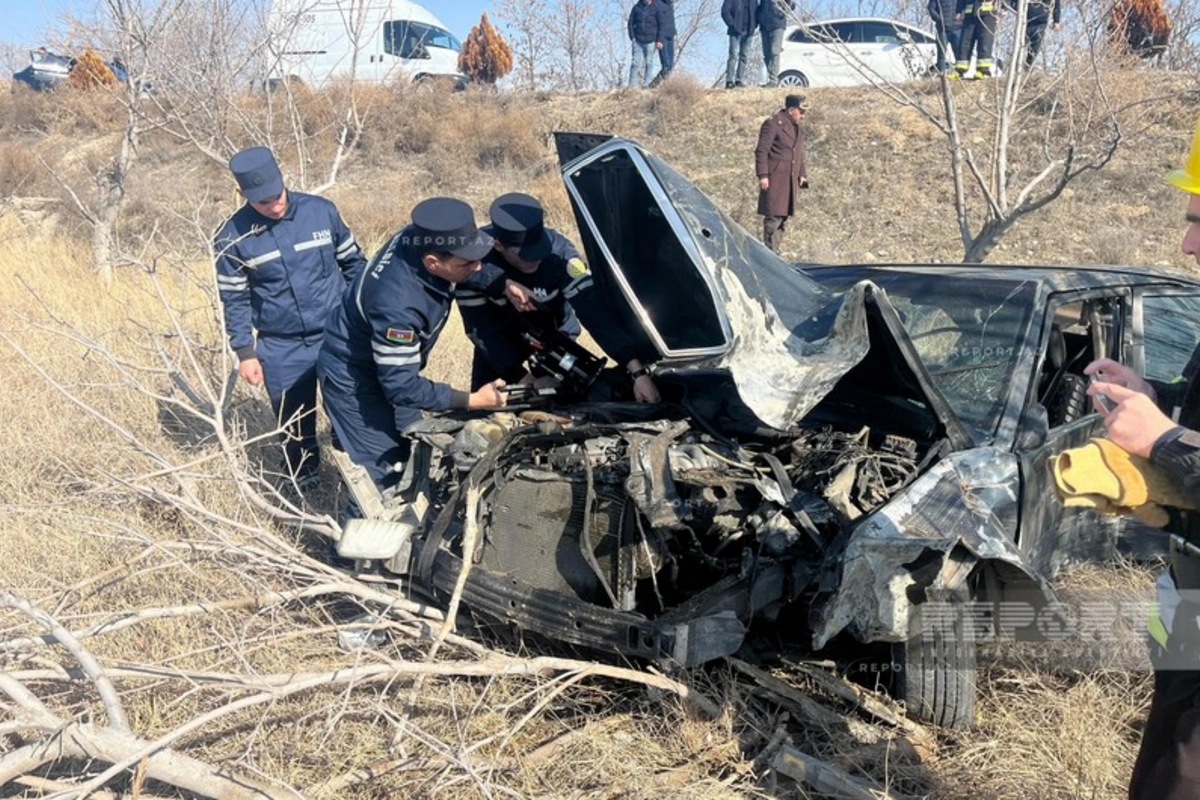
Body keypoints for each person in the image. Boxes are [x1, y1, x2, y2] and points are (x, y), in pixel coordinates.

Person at [1084, 113, 1200, 800]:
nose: (1187, 244)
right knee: (1159, 759)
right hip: (1185, 595)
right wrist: (1156, 392)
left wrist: (1161, 440)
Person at [317, 198, 507, 492]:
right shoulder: (398, 307)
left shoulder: (421, 235)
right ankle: (359, 536)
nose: (478, 266)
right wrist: (473, 400)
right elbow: (401, 387)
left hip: (392, 367)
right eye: (468, 263)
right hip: (354, 380)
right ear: (433, 262)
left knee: (414, 452)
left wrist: (501, 283)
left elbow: (467, 266)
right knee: (385, 477)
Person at [214, 146, 365, 489]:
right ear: (244, 195)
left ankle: (356, 481)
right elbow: (234, 299)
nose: (275, 205)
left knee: (352, 412)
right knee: (294, 425)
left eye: (277, 195)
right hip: (281, 347)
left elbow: (355, 266)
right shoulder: (231, 237)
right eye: (263, 202)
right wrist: (244, 352)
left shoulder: (321, 212)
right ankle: (305, 486)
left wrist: (365, 319)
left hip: (337, 335)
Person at [457, 193, 661, 404]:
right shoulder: (472, 260)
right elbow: (482, 330)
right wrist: (525, 380)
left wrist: (638, 372)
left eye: (539, 250)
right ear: (499, 246)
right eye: (526, 255)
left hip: (554, 338)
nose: (536, 259)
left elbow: (596, 314)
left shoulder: (560, 254)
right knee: (488, 409)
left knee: (568, 400)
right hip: (499, 343)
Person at [755, 94, 809, 254]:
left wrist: (802, 174)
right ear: (791, 110)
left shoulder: (797, 128)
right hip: (775, 179)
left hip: (789, 180)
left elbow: (798, 154)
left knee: (782, 217)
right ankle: (769, 252)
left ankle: (775, 251)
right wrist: (763, 175)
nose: (803, 116)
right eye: (801, 111)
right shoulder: (773, 124)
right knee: (773, 216)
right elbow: (761, 151)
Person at [954, 0, 1000, 79]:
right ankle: (960, 70)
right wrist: (959, 10)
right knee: (965, 42)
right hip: (970, 13)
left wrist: (1003, 8)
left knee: (985, 42)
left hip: (988, 13)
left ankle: (983, 71)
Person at [628, 0, 664, 89]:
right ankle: (632, 86)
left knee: (649, 62)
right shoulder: (636, 8)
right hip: (638, 40)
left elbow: (661, 25)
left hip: (651, 40)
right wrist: (632, 36)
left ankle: (646, 85)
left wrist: (659, 40)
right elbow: (630, 23)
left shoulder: (656, 8)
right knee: (635, 62)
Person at [758, 0, 794, 87]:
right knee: (766, 54)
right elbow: (760, 7)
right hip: (764, 26)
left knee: (775, 51)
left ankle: (773, 80)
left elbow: (791, 5)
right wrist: (759, 18)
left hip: (777, 24)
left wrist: (781, 13)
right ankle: (770, 78)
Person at [722, 0, 758, 88]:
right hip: (735, 31)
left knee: (744, 56)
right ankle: (729, 80)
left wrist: (754, 26)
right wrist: (732, 25)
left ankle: (739, 80)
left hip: (749, 31)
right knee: (733, 55)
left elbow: (756, 13)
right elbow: (725, 11)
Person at [1021, 0, 1061, 68]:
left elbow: (1056, 4)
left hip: (1041, 21)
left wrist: (1056, 20)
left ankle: (1027, 69)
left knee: (1034, 49)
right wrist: (1005, 8)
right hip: (1024, 19)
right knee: (1020, 46)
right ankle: (1014, 69)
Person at [928, 0, 962, 75]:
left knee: (959, 54)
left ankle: (960, 74)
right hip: (942, 30)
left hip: (957, 28)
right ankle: (942, 76)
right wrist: (939, 19)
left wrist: (962, 18)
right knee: (941, 54)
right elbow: (931, 8)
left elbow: (965, 6)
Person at [651, 0, 676, 86]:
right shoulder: (656, 4)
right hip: (662, 38)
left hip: (670, 36)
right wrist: (658, 39)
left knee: (670, 66)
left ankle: (662, 85)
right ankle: (653, 85)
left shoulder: (670, 4)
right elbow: (654, 22)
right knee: (666, 65)